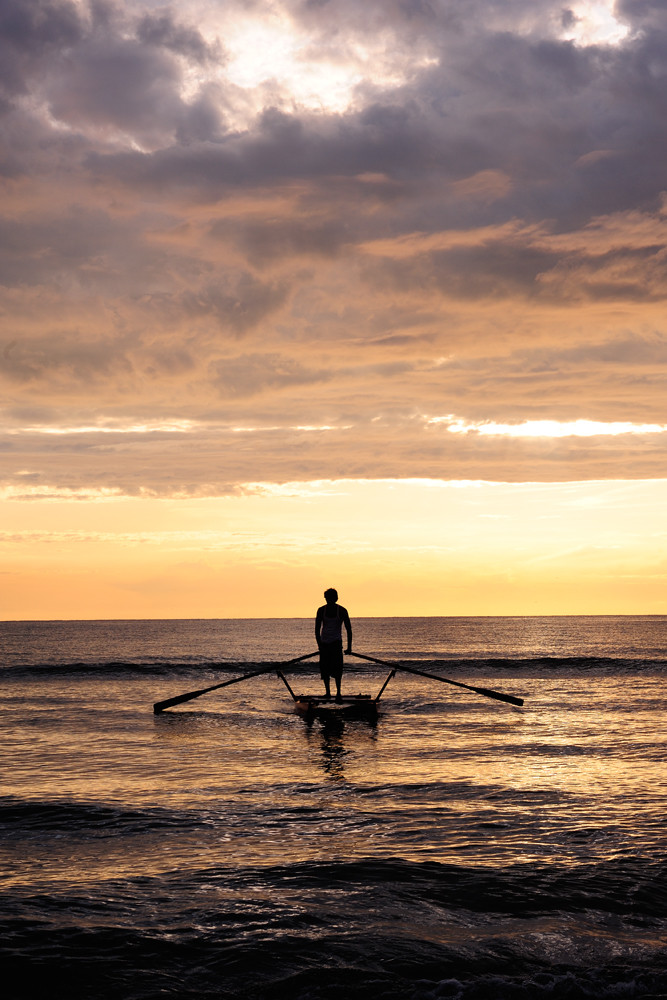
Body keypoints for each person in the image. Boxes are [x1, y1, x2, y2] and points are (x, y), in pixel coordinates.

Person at [315, 588, 352, 702]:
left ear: (336, 598)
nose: (329, 600)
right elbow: (317, 630)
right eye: (327, 598)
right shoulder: (321, 610)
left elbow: (348, 629)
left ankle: (338, 693)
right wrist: (319, 645)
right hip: (325, 643)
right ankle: (328, 692)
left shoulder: (342, 610)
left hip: (336, 643)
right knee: (325, 669)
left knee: (338, 669)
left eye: (331, 598)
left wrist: (349, 648)